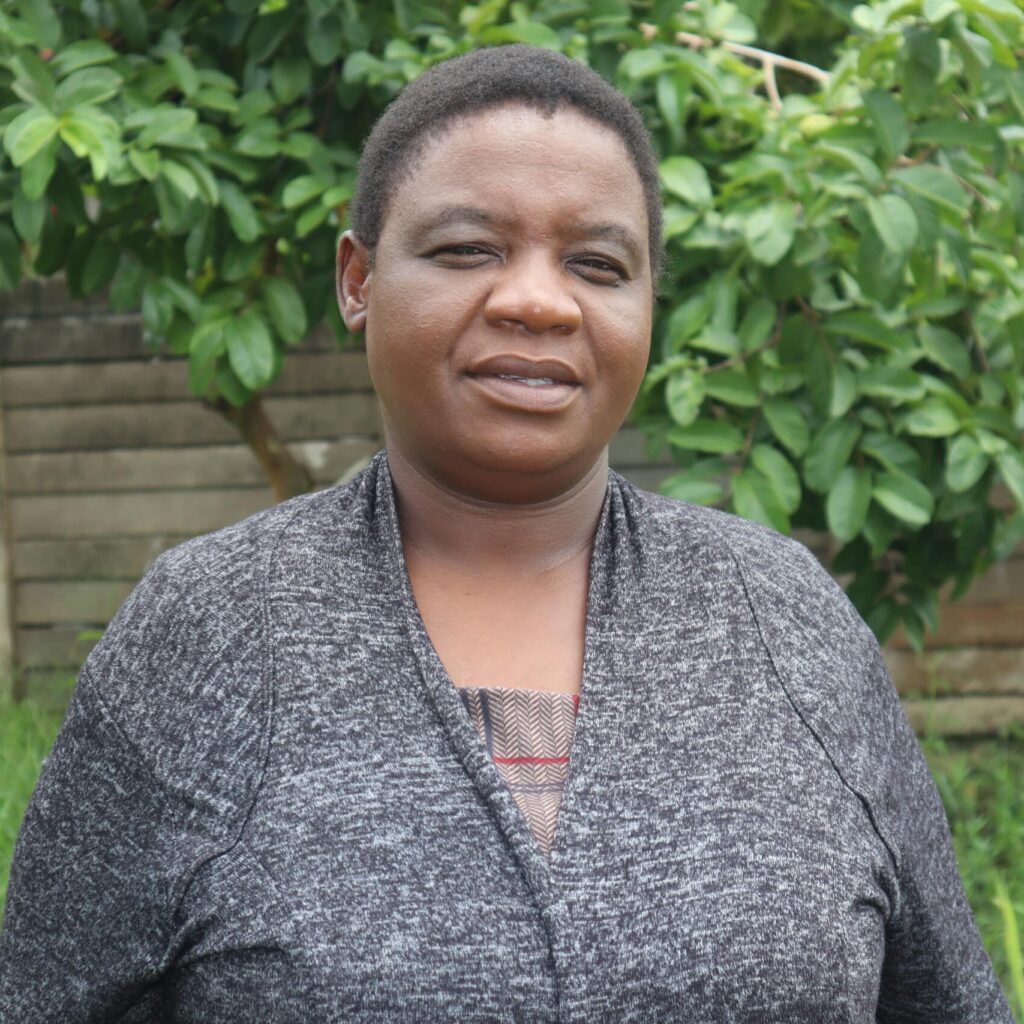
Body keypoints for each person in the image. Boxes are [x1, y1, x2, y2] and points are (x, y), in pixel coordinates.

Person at [0, 44, 1012, 1023]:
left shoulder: (783, 619)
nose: (536, 299)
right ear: (357, 278)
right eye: (466, 248)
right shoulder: (206, 635)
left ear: (648, 300)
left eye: (597, 263)